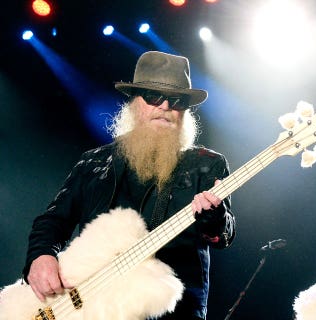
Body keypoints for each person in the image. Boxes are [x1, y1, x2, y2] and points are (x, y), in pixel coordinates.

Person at [21, 51, 236, 320]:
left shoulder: (207, 165)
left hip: (172, 312)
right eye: (154, 96)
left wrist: (214, 218)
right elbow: (52, 221)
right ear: (134, 103)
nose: (166, 106)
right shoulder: (94, 162)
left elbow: (223, 235)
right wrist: (41, 256)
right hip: (93, 309)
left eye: (177, 100)